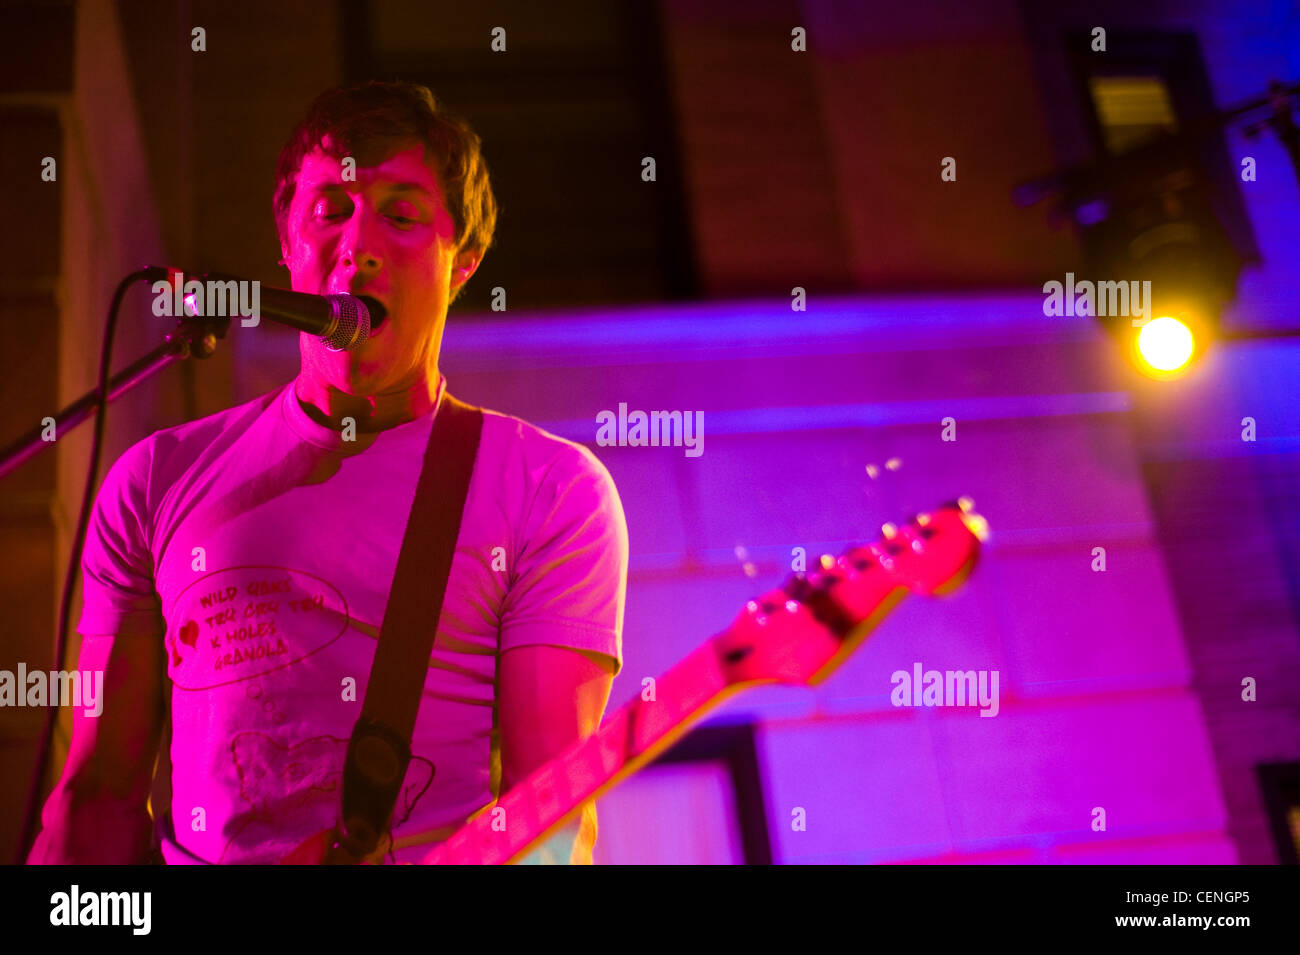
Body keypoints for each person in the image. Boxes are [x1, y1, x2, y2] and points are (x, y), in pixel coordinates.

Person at [26, 81, 629, 865]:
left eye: (401, 215)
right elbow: (98, 795)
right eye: (331, 210)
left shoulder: (549, 491)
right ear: (285, 244)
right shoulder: (154, 481)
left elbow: (550, 819)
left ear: (464, 263)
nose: (359, 245)